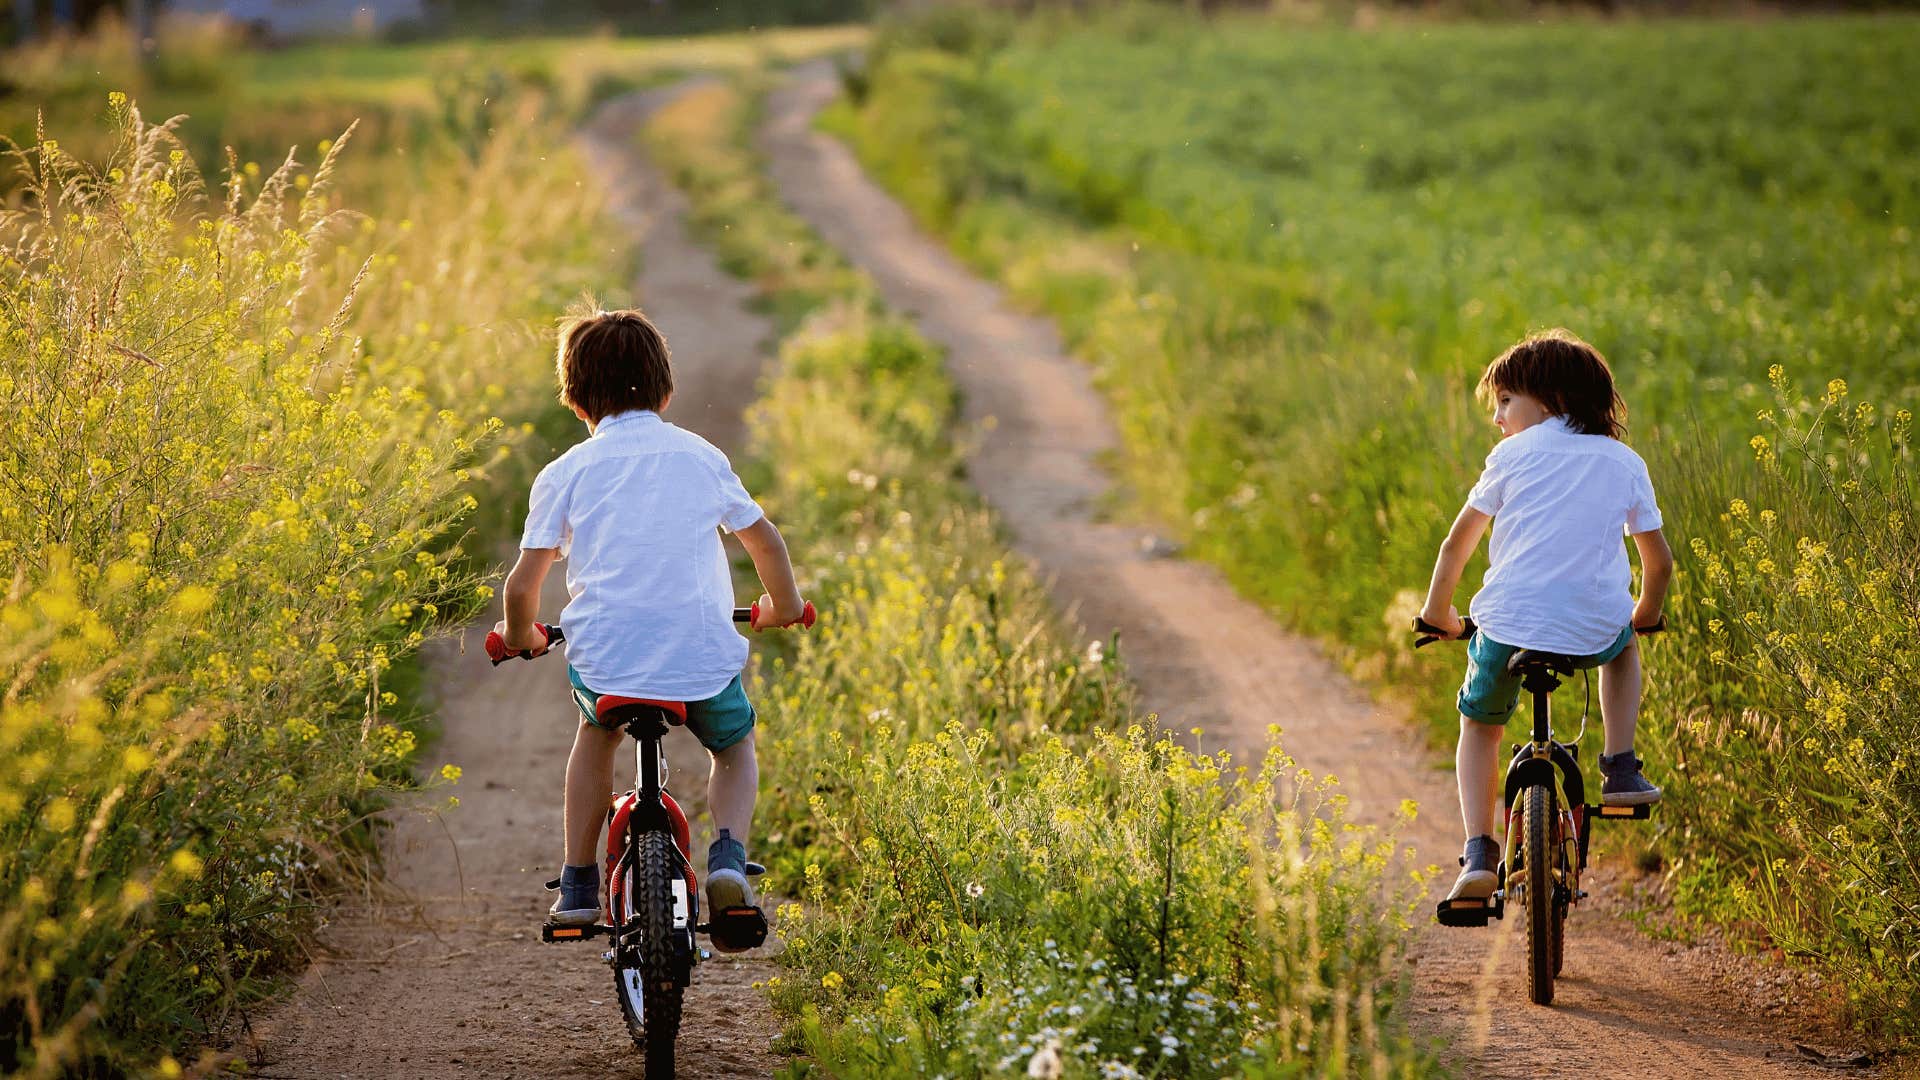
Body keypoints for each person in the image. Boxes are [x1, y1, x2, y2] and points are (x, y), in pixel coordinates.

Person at [491, 306, 808, 933]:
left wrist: (522, 635)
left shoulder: (566, 473)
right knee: (735, 746)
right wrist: (785, 607)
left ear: (576, 403)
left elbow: (523, 584)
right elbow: (765, 542)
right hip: (702, 659)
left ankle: (579, 880)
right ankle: (730, 858)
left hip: (608, 660)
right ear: (665, 391)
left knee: (595, 738)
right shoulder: (699, 456)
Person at [1418, 329, 1673, 903]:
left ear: (1552, 400)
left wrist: (1438, 613)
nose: (1498, 417)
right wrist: (1644, 615)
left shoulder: (1511, 457)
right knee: (1625, 644)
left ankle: (1479, 851)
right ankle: (1621, 766)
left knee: (1480, 724)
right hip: (1593, 629)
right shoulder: (1625, 461)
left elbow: (1455, 547)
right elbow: (1657, 563)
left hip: (1505, 628)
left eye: (1507, 401)